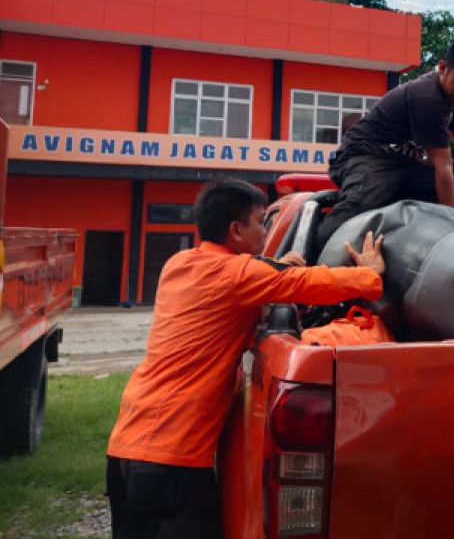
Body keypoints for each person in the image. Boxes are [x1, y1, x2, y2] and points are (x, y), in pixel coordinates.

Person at [106, 179, 387, 538]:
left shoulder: (178, 264)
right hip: (175, 461)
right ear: (236, 230)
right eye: (261, 221)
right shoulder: (241, 275)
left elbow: (244, 279)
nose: (267, 229)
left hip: (125, 447)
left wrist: (269, 267)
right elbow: (312, 282)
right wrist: (371, 274)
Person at [318, 38, 454, 248]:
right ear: (442, 68)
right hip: (364, 155)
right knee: (360, 206)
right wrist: (452, 225)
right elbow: (442, 165)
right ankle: (303, 257)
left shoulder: (452, 98)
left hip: (402, 164)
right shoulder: (426, 98)